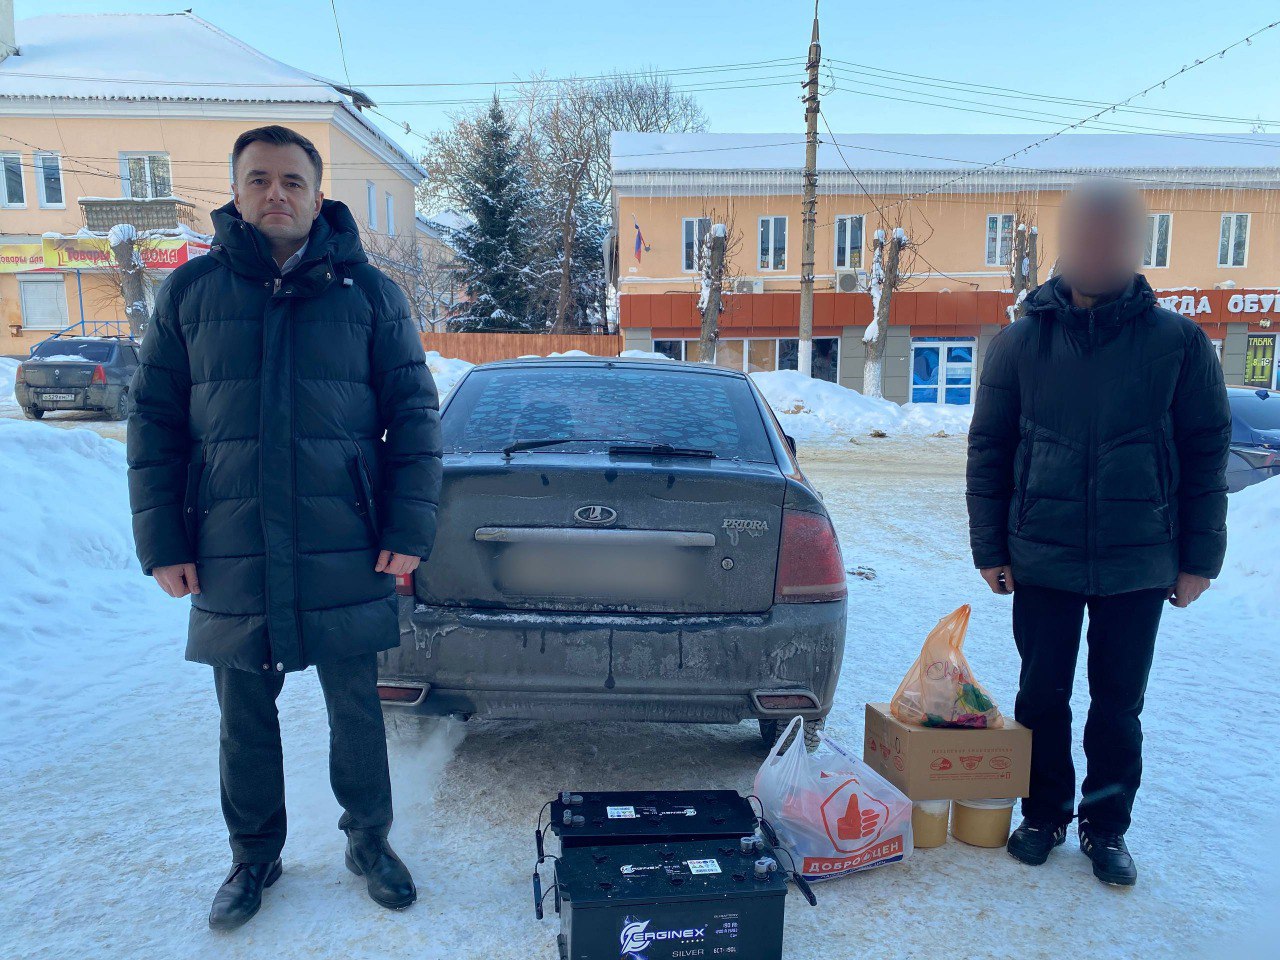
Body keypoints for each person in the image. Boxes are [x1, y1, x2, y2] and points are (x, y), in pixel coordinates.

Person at [127, 125, 442, 929]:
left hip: (345, 537)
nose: (277, 193)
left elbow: (413, 417)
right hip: (230, 542)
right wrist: (164, 542)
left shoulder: (369, 294)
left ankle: (369, 842)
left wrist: (408, 527)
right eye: (259, 179)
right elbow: (155, 423)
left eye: (292, 180)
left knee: (356, 709)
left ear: (317, 193)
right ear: (236, 193)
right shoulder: (191, 293)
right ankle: (253, 855)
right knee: (243, 716)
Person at [966, 179, 1229, 887]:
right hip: (1042, 556)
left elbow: (1205, 454)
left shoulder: (1179, 344)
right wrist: (990, 548)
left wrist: (1199, 559)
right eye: (1085, 234)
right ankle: (1044, 813)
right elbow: (989, 451)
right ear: (1064, 243)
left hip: (1139, 561)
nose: (1097, 247)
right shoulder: (1020, 343)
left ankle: (1105, 827)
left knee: (1118, 706)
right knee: (1040, 697)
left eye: (1113, 235)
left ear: (1136, 247)